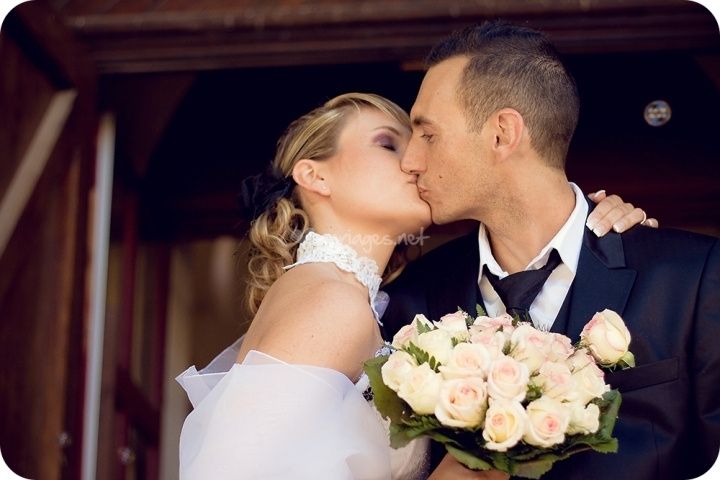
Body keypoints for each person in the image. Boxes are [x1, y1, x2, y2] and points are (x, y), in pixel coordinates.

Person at [175, 92, 651, 480]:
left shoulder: (373, 302)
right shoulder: (330, 301)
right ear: (314, 175)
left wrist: (590, 226)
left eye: (422, 144)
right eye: (389, 144)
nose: (415, 162)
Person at [385, 21, 720, 480]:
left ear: (503, 133)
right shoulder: (413, 303)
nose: (410, 161)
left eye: (427, 134)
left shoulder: (695, 277)